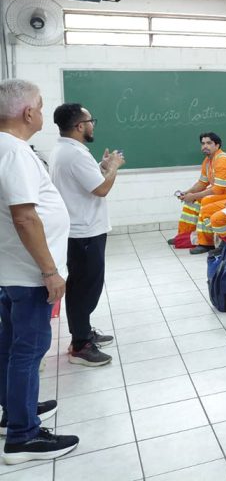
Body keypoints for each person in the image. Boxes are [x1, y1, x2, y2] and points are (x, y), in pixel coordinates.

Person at [0, 79, 78, 463]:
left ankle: (13, 412)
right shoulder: (13, 152)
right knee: (28, 351)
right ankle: (23, 436)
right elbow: (25, 216)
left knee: (12, 345)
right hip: (30, 273)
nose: (42, 114)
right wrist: (50, 271)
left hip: (13, 268)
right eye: (41, 107)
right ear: (28, 112)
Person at [49, 103, 124, 366]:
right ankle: (81, 344)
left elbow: (90, 181)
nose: (93, 124)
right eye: (91, 120)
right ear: (80, 126)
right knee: (85, 287)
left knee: (83, 284)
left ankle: (82, 332)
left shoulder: (67, 149)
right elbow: (101, 189)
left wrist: (102, 167)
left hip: (80, 229)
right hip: (84, 233)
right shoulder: (75, 154)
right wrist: (113, 167)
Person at [169, 132, 226, 248]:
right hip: (224, 193)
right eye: (203, 143)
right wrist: (188, 193)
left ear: (217, 145)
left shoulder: (222, 160)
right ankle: (184, 237)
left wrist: (194, 196)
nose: (205, 146)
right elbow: (202, 183)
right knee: (191, 202)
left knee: (205, 200)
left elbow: (218, 189)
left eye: (209, 143)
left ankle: (206, 243)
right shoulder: (208, 161)